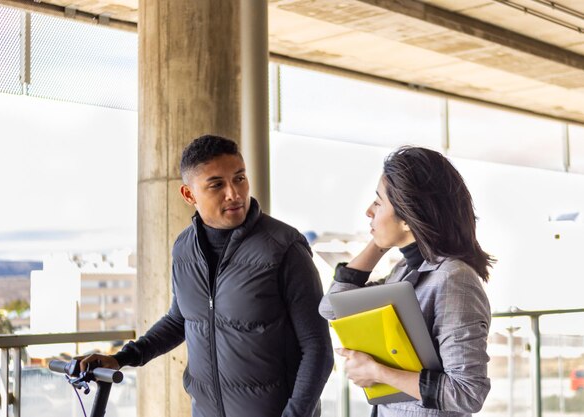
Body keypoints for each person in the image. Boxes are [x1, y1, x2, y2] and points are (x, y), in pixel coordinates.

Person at [79, 134, 333, 417]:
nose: (234, 193)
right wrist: (121, 358)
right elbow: (180, 319)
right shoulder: (184, 248)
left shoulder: (284, 247)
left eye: (239, 178)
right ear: (189, 195)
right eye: (217, 185)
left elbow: (318, 349)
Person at [319, 146, 493, 417]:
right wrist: (378, 243)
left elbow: (467, 393)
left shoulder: (454, 279)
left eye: (378, 203)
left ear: (407, 217)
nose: (368, 211)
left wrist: (376, 372)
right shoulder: (405, 269)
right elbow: (331, 307)